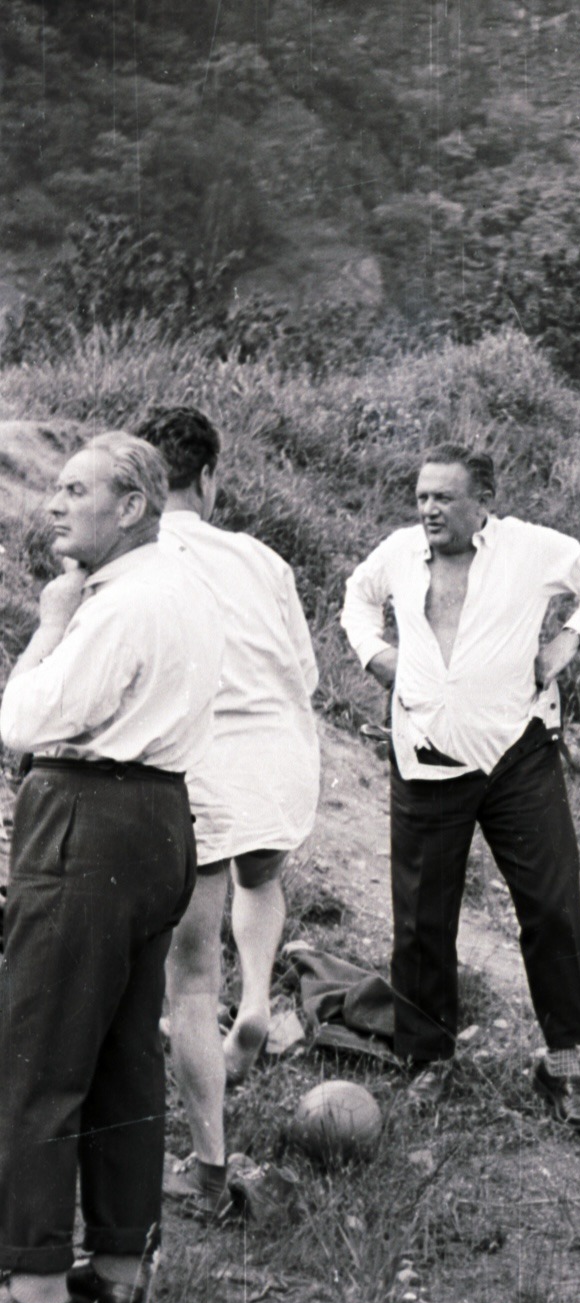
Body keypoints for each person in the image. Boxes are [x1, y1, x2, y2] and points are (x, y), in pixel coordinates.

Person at [0, 432, 223, 1303]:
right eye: (55, 486)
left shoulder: (116, 605)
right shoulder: (183, 590)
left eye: (76, 488)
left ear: (132, 507)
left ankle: (35, 1281)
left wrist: (52, 619)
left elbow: (24, 721)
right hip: (161, 820)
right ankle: (121, 1265)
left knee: (40, 1053)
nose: (55, 503)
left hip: (88, 820)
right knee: (126, 1054)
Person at [341, 444, 580, 1127]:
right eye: (421, 496)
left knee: (552, 902)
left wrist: (566, 644)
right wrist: (376, 655)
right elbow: (356, 598)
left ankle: (563, 1066)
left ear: (482, 501)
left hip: (516, 752)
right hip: (427, 752)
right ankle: (426, 1062)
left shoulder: (528, 549)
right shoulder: (395, 552)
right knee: (421, 917)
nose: (429, 509)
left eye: (444, 497)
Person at [137, 407, 320, 1216]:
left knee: (187, 979)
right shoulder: (261, 557)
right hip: (280, 754)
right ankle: (257, 999)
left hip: (203, 761)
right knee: (261, 874)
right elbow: (304, 673)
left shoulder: (140, 553)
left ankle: (209, 1167)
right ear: (209, 477)